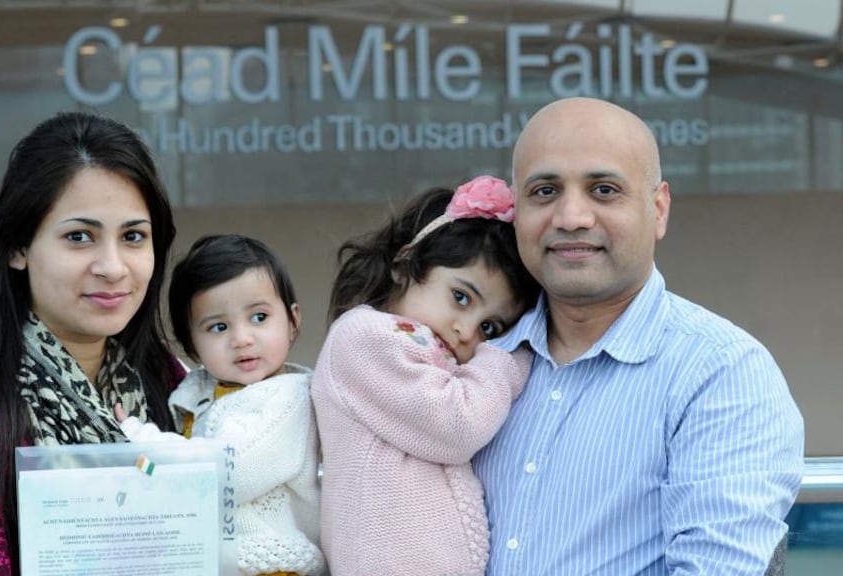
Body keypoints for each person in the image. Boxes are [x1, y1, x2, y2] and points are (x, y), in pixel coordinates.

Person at [472, 97, 806, 575]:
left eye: (604, 190)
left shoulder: (722, 373)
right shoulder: (474, 358)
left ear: (659, 209)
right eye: (544, 191)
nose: (571, 217)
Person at [0, 111, 180, 575]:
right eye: (80, 237)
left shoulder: (171, 384)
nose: (113, 267)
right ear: (18, 247)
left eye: (133, 236)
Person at [311, 176, 541, 575]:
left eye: (490, 328)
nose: (467, 332)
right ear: (406, 264)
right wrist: (509, 356)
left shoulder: (431, 354)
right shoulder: (364, 337)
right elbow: (457, 425)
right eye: (461, 297)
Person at [116, 234, 326, 576]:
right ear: (192, 346)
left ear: (293, 321)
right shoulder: (200, 390)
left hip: (272, 564)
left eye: (259, 317)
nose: (241, 338)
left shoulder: (290, 399)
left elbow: (228, 472)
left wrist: (139, 440)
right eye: (218, 327)